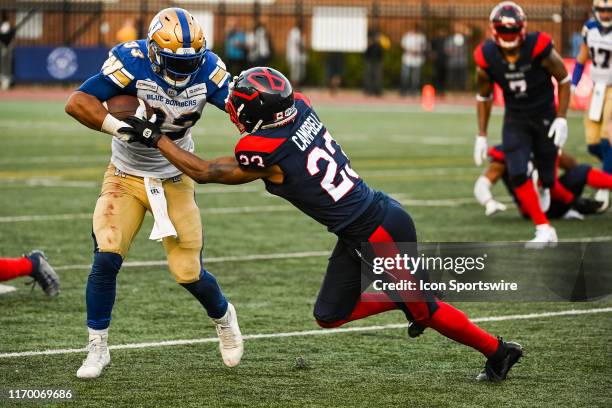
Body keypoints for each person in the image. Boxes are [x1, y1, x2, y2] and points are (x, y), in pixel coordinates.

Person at [125, 66, 524, 382]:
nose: (232, 107)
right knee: (328, 315)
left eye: (240, 104)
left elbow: (208, 171)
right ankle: (407, 299)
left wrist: (156, 138)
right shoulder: (299, 105)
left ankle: (499, 351)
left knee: (428, 313)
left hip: (378, 233)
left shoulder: (263, 148)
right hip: (366, 226)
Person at [64, 7, 243, 379]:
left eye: (189, 61)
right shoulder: (132, 59)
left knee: (187, 271)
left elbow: (241, 107)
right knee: (107, 253)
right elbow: (77, 102)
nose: (182, 71)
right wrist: (120, 127)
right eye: (175, 62)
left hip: (175, 175)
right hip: (125, 173)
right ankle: (98, 345)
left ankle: (224, 317)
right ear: (154, 51)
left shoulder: (208, 69)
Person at [473, 1, 571, 244]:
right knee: (517, 172)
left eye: (512, 29)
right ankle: (543, 228)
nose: (508, 35)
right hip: (515, 117)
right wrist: (482, 134)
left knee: (548, 177)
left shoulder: (538, 47)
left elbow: (565, 78)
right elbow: (484, 95)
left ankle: (544, 184)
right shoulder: (486, 57)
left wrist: (561, 117)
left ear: (522, 29)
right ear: (494, 30)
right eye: (503, 30)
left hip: (545, 114)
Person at [475, 145, 611, 219]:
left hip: (553, 199)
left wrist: (556, 152)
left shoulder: (544, 145)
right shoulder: (507, 154)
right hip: (533, 208)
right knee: (580, 171)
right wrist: (488, 202)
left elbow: (572, 167)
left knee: (580, 171)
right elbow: (481, 185)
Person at [571, 0, 612, 211]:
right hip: (598, 88)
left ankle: (604, 191)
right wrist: (573, 84)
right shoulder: (589, 28)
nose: (605, 14)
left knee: (608, 138)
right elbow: (582, 58)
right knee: (593, 143)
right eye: (602, 10)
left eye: (609, 10)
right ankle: (609, 173)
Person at [400, 25, 426, 96]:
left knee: (416, 78)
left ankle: (414, 91)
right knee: (405, 76)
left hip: (417, 60)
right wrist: (410, 50)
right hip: (407, 59)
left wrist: (418, 51)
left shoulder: (422, 37)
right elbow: (403, 45)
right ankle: (403, 91)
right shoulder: (408, 36)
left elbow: (424, 47)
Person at [364, 27, 389, 96]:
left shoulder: (381, 37)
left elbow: (387, 46)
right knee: (369, 75)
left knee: (378, 76)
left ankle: (377, 91)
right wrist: (370, 42)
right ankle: (368, 90)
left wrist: (380, 40)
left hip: (378, 59)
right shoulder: (369, 35)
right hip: (369, 58)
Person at [286, 17, 307, 86]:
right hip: (294, 56)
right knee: (294, 74)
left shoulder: (300, 32)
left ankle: (297, 86)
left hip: (299, 57)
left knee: (299, 74)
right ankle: (294, 87)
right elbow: (298, 44)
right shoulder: (295, 32)